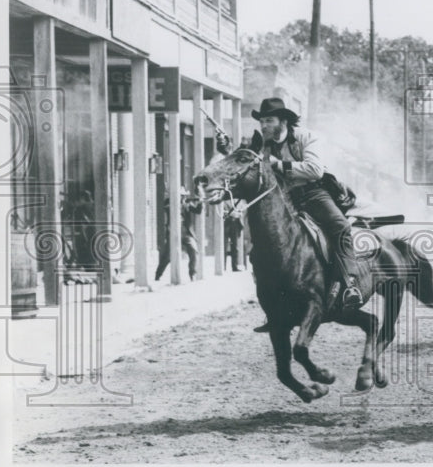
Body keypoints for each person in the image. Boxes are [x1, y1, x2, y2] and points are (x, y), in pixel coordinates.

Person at [217, 97, 363, 312]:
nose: (264, 125)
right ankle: (270, 297)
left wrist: (279, 164)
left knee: (340, 226)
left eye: (269, 120)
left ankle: (350, 284)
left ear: (283, 121)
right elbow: (242, 163)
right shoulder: (260, 143)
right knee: (260, 242)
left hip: (312, 193)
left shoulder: (306, 137)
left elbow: (315, 170)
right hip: (281, 198)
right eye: (262, 121)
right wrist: (226, 149)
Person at [154, 188, 202, 282]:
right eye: (180, 195)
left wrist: (199, 201)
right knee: (167, 256)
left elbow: (198, 211)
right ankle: (158, 274)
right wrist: (177, 204)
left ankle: (192, 273)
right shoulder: (169, 203)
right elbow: (166, 207)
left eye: (183, 196)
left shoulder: (186, 205)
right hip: (173, 233)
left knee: (193, 251)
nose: (182, 197)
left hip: (186, 233)